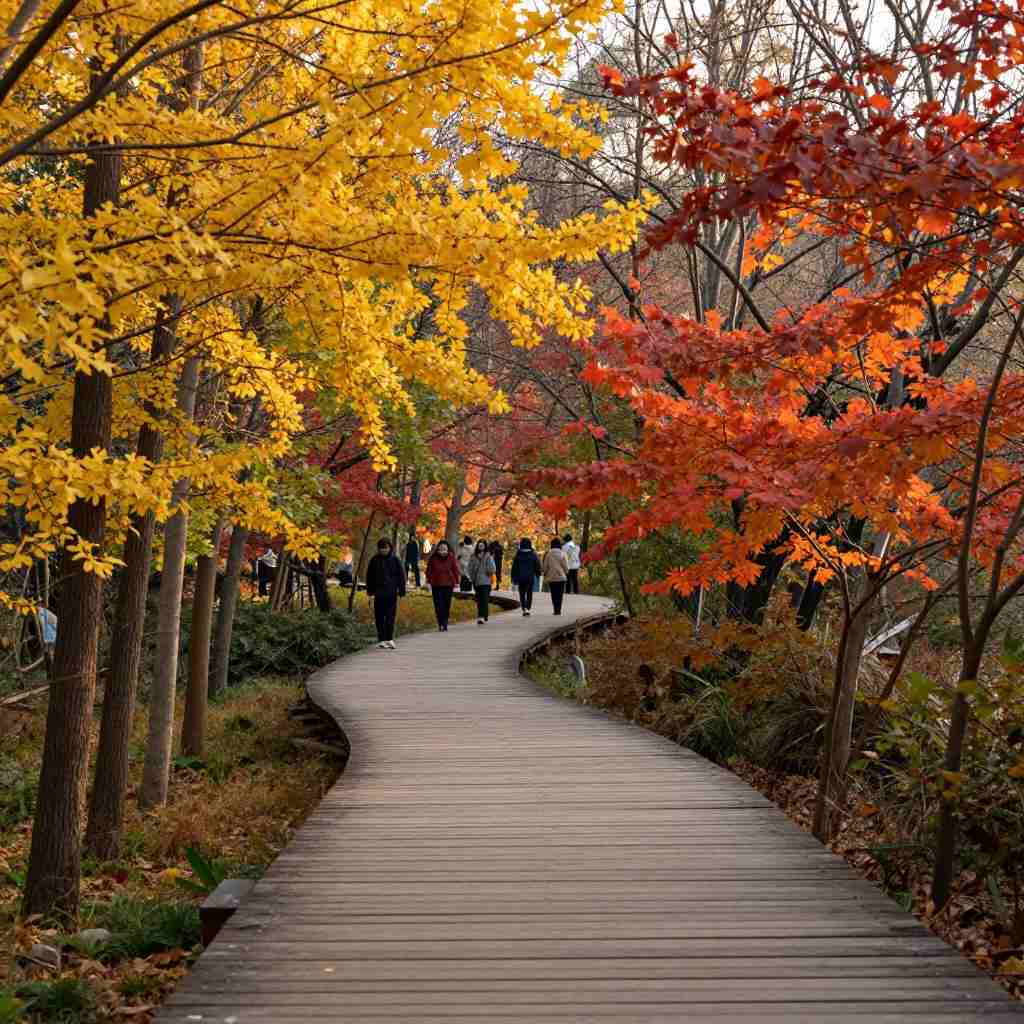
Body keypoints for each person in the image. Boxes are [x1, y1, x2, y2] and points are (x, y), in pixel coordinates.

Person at [365, 538, 406, 649]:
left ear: (390, 548)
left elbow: (401, 576)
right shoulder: (374, 560)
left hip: (391, 593)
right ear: (378, 549)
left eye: (385, 548)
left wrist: (402, 590)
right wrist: (370, 591)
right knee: (379, 616)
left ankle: (389, 638)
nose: (383, 550)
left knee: (390, 616)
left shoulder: (395, 560)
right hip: (378, 593)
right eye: (381, 548)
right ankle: (381, 639)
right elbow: (369, 576)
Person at [426, 540, 461, 631]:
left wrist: (457, 582)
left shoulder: (451, 557)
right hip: (436, 584)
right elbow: (428, 571)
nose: (442, 551)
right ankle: (440, 623)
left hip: (448, 584)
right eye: (440, 549)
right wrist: (428, 582)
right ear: (437, 549)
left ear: (448, 549)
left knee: (446, 604)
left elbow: (455, 570)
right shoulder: (433, 558)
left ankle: (444, 622)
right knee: (438, 605)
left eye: (444, 549)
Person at [510, 538, 542, 616]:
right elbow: (537, 565)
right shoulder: (533, 554)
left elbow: (514, 567)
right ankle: (528, 608)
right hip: (530, 577)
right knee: (529, 592)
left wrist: (513, 578)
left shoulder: (518, 554)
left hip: (521, 577)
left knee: (522, 593)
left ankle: (524, 608)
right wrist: (538, 574)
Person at [467, 540, 497, 624]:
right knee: (479, 600)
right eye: (479, 545)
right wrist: (471, 578)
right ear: (477, 546)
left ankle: (483, 615)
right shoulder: (473, 556)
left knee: (485, 599)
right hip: (476, 581)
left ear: (485, 546)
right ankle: (481, 616)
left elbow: (493, 569)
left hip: (486, 582)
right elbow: (470, 568)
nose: (481, 547)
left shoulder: (488, 556)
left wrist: (488, 569)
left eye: (482, 545)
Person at [542, 537, 569, 615]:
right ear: (559, 545)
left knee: (553, 594)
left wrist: (544, 572)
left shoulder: (548, 554)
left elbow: (545, 567)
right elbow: (566, 567)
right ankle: (558, 610)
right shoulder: (563, 553)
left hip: (551, 577)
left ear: (552, 545)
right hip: (561, 577)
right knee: (560, 594)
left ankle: (555, 609)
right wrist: (566, 572)